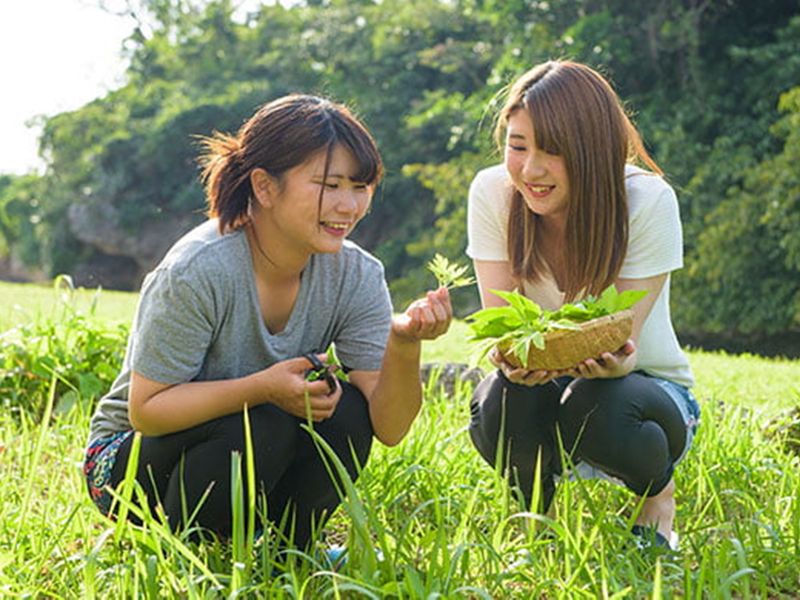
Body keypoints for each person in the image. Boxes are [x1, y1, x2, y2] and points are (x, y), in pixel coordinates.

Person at [83, 94, 452, 549]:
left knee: (347, 410)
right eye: (328, 184)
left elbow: (389, 428)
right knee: (265, 421)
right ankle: (196, 546)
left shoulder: (357, 274)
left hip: (246, 441)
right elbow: (147, 410)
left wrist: (404, 343)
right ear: (265, 186)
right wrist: (262, 388)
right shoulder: (198, 271)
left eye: (360, 186)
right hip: (127, 462)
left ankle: (289, 550)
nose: (348, 205)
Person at [466, 60, 700, 549]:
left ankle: (657, 497)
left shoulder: (646, 202)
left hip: (641, 393)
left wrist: (610, 362)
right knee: (498, 400)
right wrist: (509, 360)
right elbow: (503, 324)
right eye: (518, 146)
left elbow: (621, 342)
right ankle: (538, 516)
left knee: (598, 402)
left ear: (592, 150)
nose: (530, 169)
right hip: (549, 391)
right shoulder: (492, 193)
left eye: (554, 150)